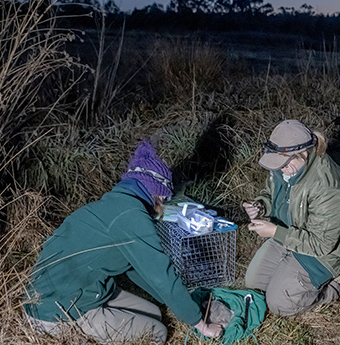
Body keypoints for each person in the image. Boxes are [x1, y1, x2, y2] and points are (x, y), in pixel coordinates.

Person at [23, 141, 222, 344]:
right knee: (155, 333)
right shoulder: (130, 216)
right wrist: (200, 324)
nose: (163, 206)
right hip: (59, 311)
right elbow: (161, 274)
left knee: (154, 313)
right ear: (156, 193)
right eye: (164, 199)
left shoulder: (116, 204)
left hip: (79, 292)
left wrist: (182, 303)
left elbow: (138, 269)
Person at [243, 119, 340, 316]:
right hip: (288, 233)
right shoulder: (284, 167)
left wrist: (275, 231)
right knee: (254, 284)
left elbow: (322, 244)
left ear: (303, 153)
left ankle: (337, 285)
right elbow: (270, 193)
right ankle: (290, 270)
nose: (279, 168)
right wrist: (260, 206)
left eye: (283, 163)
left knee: (279, 305)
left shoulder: (329, 187)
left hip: (322, 252)